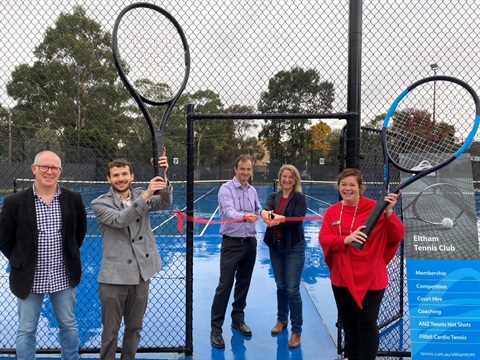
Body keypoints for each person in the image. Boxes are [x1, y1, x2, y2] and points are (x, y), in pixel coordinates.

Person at [0, 150, 87, 360]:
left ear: (60, 171)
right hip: (29, 279)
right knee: (26, 329)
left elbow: (79, 232)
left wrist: (70, 253)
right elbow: (4, 238)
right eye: (44, 167)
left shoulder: (73, 199)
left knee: (68, 325)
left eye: (54, 168)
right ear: (34, 169)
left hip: (63, 277)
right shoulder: (15, 202)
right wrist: (19, 259)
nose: (49, 171)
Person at [91, 156, 173, 360]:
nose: (121, 178)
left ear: (132, 176)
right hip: (113, 278)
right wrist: (146, 194)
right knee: (110, 333)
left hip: (140, 274)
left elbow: (164, 201)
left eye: (124, 174)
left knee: (134, 328)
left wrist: (163, 172)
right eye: (116, 175)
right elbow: (121, 219)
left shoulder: (141, 196)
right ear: (109, 179)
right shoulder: (100, 203)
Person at [318, 168, 404, 360]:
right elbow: (324, 238)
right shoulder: (333, 211)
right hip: (341, 277)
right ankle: (350, 355)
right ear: (338, 186)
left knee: (366, 325)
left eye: (352, 185)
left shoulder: (376, 208)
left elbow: (398, 235)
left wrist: (389, 212)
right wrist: (345, 240)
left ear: (360, 187)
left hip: (371, 278)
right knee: (348, 323)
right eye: (343, 185)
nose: (347, 189)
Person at [210, 154, 261, 349]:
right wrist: (245, 217)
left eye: (249, 169)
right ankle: (216, 329)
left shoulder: (253, 191)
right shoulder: (226, 189)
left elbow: (257, 210)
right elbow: (229, 212)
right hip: (232, 244)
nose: (246, 172)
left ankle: (237, 319)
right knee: (225, 285)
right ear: (236, 169)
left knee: (243, 284)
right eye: (243, 169)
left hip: (250, 243)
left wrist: (265, 215)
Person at [260, 164, 307, 349]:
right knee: (280, 285)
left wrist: (276, 220)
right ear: (280, 178)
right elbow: (265, 209)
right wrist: (264, 214)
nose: (287, 180)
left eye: (290, 177)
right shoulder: (273, 196)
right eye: (284, 176)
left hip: (293, 247)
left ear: (295, 180)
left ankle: (297, 331)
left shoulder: (299, 198)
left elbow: (296, 221)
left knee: (292, 289)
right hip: (275, 246)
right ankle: (282, 320)